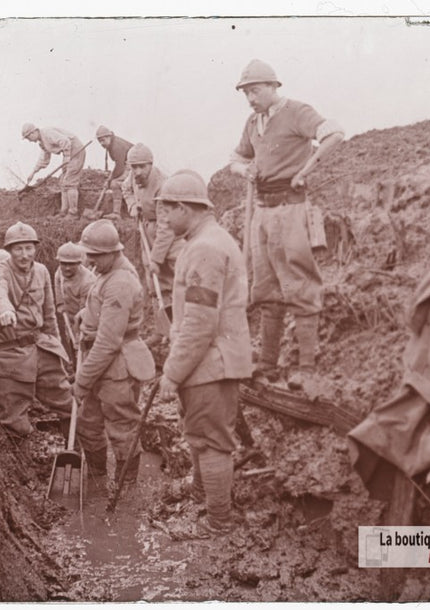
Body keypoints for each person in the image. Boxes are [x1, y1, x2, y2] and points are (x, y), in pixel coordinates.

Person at [228, 59, 344, 390]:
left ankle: (306, 368)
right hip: (262, 213)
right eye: (246, 92)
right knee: (266, 289)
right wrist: (243, 170)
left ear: (273, 87)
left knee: (300, 286)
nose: (251, 98)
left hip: (291, 210)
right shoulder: (253, 123)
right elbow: (236, 158)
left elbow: (334, 133)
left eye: (256, 90)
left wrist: (305, 171)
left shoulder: (297, 112)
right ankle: (267, 365)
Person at [157, 170, 254, 534]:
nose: (164, 220)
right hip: (212, 361)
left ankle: (218, 524)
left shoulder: (204, 249)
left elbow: (199, 323)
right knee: (199, 433)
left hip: (210, 362)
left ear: (184, 207)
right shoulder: (207, 241)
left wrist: (172, 373)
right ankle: (202, 494)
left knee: (212, 442)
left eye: (167, 211)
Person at [72, 220, 156, 489]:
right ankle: (97, 480)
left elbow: (109, 342)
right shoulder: (109, 272)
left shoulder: (121, 281)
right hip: (102, 362)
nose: (90, 262)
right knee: (87, 423)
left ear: (112, 252)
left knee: (122, 427)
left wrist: (82, 381)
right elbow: (103, 308)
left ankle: (126, 488)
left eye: (95, 256)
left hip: (117, 364)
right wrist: (86, 315)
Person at [0, 222, 70, 436]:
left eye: (29, 248)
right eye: (18, 249)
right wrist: (4, 310)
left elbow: (49, 314)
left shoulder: (41, 271)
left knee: (68, 404)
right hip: (9, 354)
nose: (24, 254)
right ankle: (22, 464)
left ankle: (78, 453)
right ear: (9, 250)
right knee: (14, 421)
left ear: (35, 248)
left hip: (41, 347)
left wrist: (57, 349)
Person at [121, 143, 179, 314]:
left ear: (151, 164)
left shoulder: (163, 185)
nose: (137, 171)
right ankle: (162, 329)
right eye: (134, 167)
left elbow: (166, 228)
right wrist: (132, 205)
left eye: (142, 167)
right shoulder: (133, 177)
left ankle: (178, 324)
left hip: (170, 234)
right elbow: (125, 189)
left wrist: (157, 258)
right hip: (146, 228)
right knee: (152, 280)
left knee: (172, 277)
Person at [21, 124, 87, 217]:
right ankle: (63, 212)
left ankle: (73, 213)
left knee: (70, 182)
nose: (29, 141)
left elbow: (65, 141)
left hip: (76, 150)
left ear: (33, 132)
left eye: (28, 138)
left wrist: (67, 156)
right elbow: (44, 159)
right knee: (63, 182)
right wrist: (33, 172)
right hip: (68, 153)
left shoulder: (47, 133)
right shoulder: (42, 142)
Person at [94, 126, 133, 219]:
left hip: (134, 165)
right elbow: (118, 165)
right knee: (114, 182)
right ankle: (116, 213)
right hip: (128, 164)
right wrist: (110, 178)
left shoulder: (116, 146)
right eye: (99, 141)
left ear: (109, 137)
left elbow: (120, 167)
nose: (101, 143)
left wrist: (110, 180)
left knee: (114, 183)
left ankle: (117, 213)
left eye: (103, 140)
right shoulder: (112, 143)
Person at [53, 242, 96, 320]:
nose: (67, 268)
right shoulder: (60, 270)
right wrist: (60, 303)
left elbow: (85, 310)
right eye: (64, 264)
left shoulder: (87, 281)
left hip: (86, 317)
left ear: (79, 263)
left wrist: (77, 323)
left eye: (71, 264)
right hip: (68, 312)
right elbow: (57, 281)